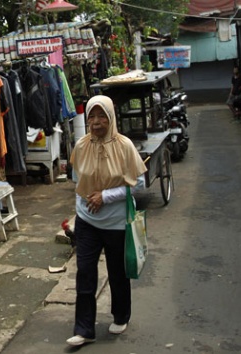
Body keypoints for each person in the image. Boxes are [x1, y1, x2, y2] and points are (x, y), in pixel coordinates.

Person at [66, 95, 147, 347]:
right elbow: (75, 179)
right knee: (85, 273)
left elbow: (139, 184)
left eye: (102, 116)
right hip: (87, 221)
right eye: (92, 116)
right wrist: (86, 203)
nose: (96, 121)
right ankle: (84, 329)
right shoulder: (81, 145)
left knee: (117, 273)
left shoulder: (124, 146)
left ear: (111, 117)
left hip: (116, 223)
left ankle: (121, 315)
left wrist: (106, 195)